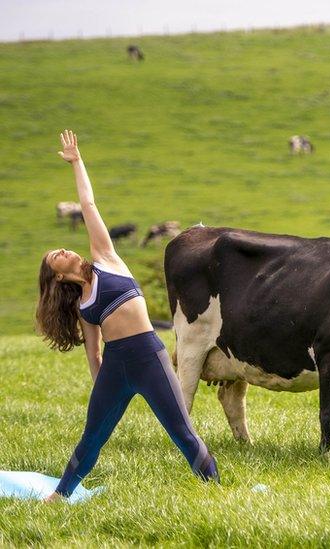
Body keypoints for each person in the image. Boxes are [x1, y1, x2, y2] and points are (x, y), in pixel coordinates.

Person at [36, 130, 218, 502]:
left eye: (63, 247)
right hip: (116, 366)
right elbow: (93, 352)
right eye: (58, 254)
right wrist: (101, 387)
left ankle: (214, 487)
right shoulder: (83, 307)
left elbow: (87, 204)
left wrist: (77, 161)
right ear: (57, 274)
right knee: (93, 434)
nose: (65, 249)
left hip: (149, 355)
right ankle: (60, 495)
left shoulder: (105, 258)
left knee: (181, 430)